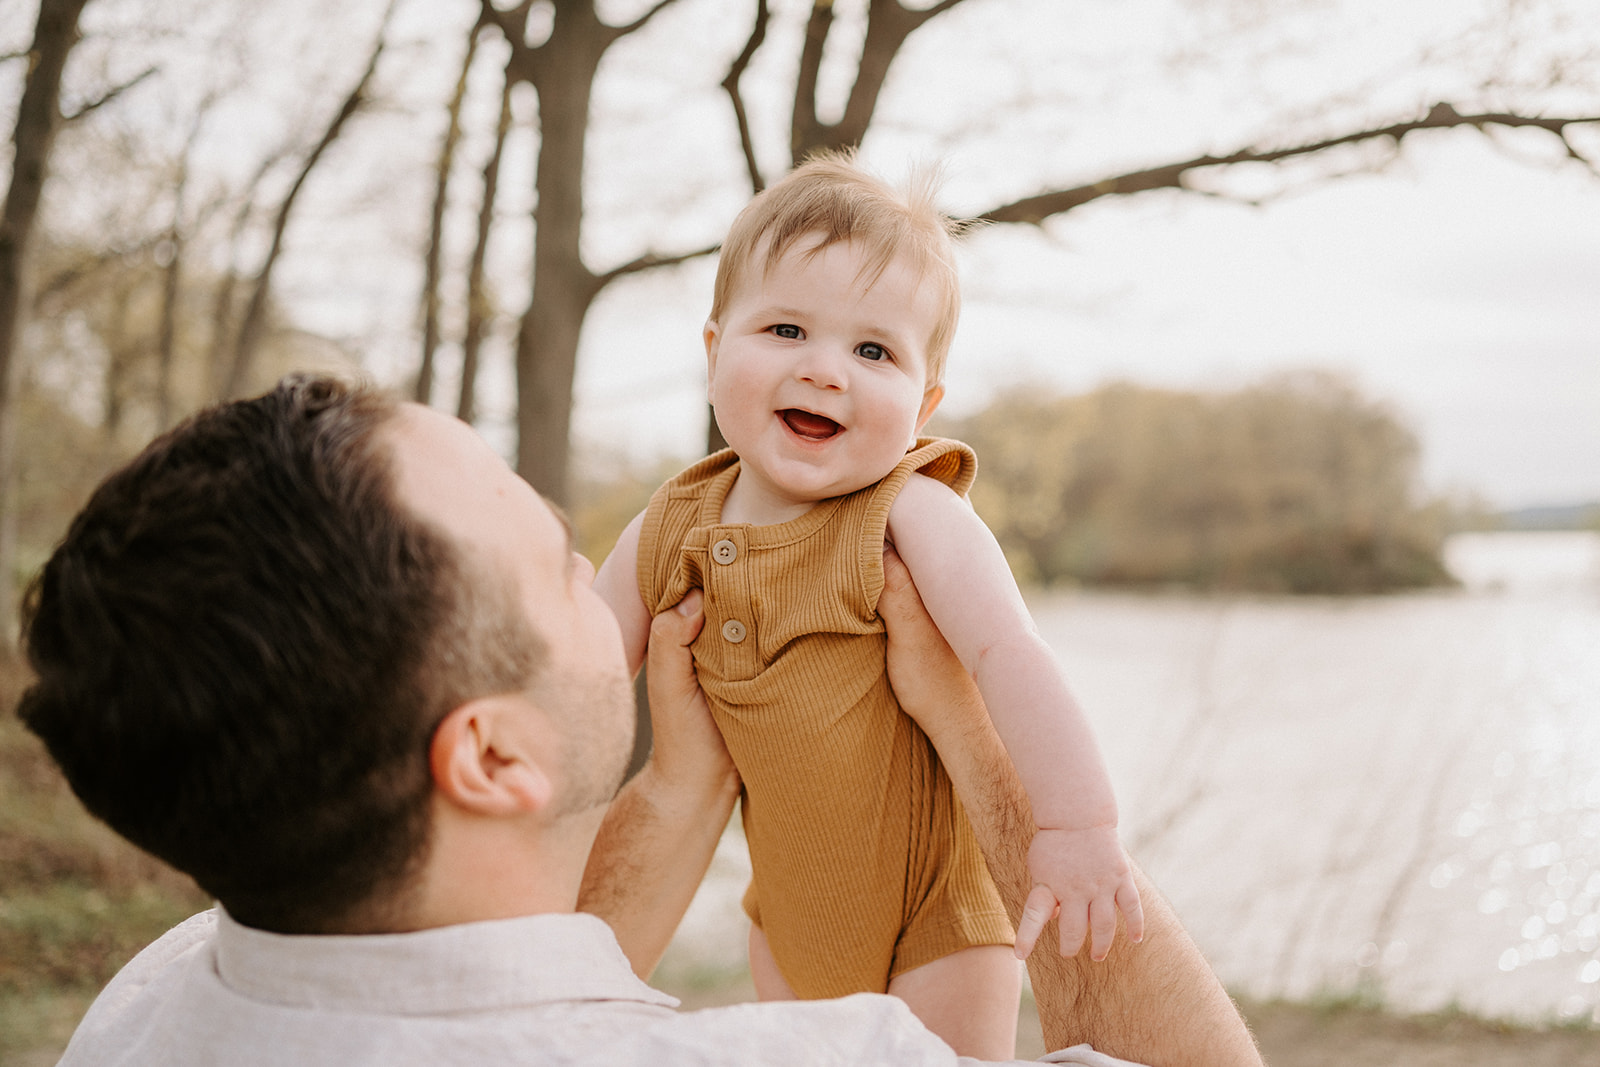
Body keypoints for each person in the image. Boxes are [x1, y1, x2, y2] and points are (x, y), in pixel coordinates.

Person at [19, 375, 1262, 1066]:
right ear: (493, 753)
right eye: (559, 559)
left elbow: (480, 983)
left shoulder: (155, 997)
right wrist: (976, 736)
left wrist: (672, 792)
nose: (603, 568)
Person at [593, 154, 1139, 1056]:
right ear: (713, 348)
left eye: (873, 350)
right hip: (787, 916)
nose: (826, 370)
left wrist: (1079, 826)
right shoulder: (672, 522)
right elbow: (584, 669)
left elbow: (1012, 655)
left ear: (922, 405)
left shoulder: (911, 510)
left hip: (938, 916)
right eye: (786, 328)